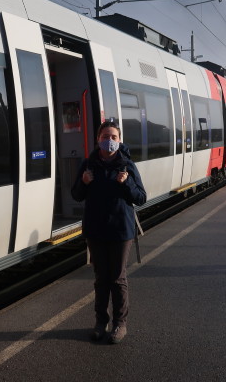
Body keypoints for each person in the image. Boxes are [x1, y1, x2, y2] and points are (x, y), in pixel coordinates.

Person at [71, 121, 146, 344]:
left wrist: (127, 184)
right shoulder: (88, 165)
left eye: (114, 137)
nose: (109, 140)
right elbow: (76, 195)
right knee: (101, 278)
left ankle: (120, 324)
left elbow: (141, 198)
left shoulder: (127, 166)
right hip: (95, 230)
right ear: (98, 139)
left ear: (119, 140)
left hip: (121, 230)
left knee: (117, 278)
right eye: (105, 136)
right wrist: (84, 183)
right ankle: (100, 322)